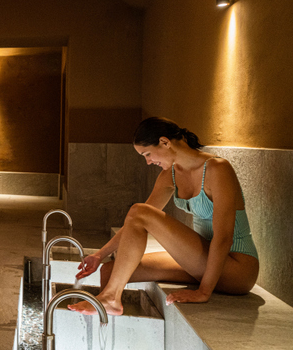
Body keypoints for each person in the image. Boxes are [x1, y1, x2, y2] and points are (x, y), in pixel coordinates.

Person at [68, 117, 259, 316]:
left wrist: (203, 292)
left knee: (139, 210)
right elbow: (135, 222)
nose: (148, 162)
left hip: (237, 267)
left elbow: (224, 238)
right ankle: (111, 304)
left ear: (165, 142)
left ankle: (110, 299)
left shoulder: (218, 169)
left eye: (147, 154)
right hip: (205, 258)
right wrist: (100, 254)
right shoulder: (171, 175)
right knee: (109, 272)